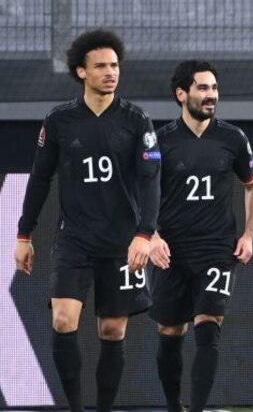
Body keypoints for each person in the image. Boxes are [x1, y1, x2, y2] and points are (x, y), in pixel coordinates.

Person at [14, 28, 160, 412]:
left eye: (115, 65)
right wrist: (23, 233)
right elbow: (40, 178)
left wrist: (144, 234)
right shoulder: (60, 121)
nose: (111, 72)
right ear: (81, 72)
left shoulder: (136, 120)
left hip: (121, 242)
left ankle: (104, 409)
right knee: (63, 320)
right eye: (101, 66)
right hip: (75, 239)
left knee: (112, 329)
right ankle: (76, 407)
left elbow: (150, 181)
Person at [147, 60, 253, 412]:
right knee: (170, 332)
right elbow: (140, 193)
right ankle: (173, 406)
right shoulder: (160, 140)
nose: (211, 95)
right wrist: (150, 236)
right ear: (182, 94)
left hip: (216, 249)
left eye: (213, 88)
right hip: (171, 250)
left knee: (209, 326)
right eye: (202, 88)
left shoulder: (232, 138)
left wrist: (249, 235)